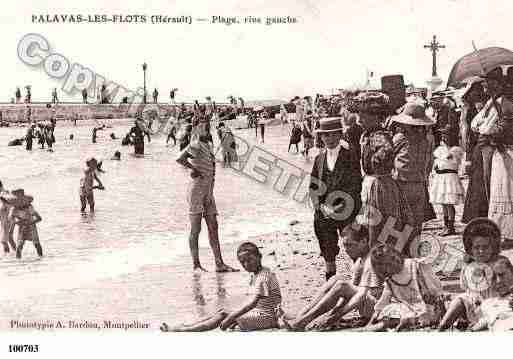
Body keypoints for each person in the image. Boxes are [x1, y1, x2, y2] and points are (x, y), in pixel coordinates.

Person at [161, 242, 280, 331]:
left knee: (225, 315)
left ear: (259, 256)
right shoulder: (258, 274)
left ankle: (184, 330)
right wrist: (236, 315)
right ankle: (186, 326)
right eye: (242, 262)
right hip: (261, 314)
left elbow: (252, 303)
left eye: (250, 260)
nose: (246, 264)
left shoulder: (263, 278)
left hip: (267, 318)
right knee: (222, 311)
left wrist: (232, 316)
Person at [283, 225, 382, 330]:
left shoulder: (371, 261)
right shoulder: (360, 261)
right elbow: (347, 295)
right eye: (344, 246)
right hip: (366, 303)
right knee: (335, 279)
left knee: (342, 285)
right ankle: (302, 315)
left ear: (363, 241)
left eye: (350, 245)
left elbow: (360, 296)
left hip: (378, 308)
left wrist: (335, 316)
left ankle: (303, 320)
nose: (346, 250)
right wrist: (332, 315)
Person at [176, 122, 237, 273]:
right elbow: (180, 158)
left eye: (207, 126)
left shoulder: (207, 145)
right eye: (203, 127)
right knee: (196, 228)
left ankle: (219, 263)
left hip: (209, 191)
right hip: (196, 190)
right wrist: (193, 169)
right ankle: (196, 265)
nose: (207, 129)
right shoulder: (195, 144)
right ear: (197, 130)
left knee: (213, 226)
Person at [309, 117, 362, 281]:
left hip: (348, 209)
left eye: (333, 135)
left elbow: (355, 185)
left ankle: (359, 280)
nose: (329, 139)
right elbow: (314, 185)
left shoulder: (350, 155)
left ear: (340, 135)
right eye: (325, 136)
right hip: (325, 211)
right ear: (321, 137)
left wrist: (340, 208)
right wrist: (319, 206)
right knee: (327, 247)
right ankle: (330, 279)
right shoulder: (319, 158)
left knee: (353, 245)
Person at [439, 218, 503, 330]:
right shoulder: (469, 266)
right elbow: (464, 286)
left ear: (493, 247)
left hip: (495, 304)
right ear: (470, 249)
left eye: (485, 247)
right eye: (477, 248)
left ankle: (476, 327)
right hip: (474, 304)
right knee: (459, 301)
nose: (481, 251)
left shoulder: (500, 263)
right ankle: (442, 327)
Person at [362, 244, 443, 331]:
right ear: (383, 269)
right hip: (408, 308)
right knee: (389, 310)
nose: (395, 261)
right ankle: (374, 328)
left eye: (394, 257)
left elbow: (436, 291)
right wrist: (373, 319)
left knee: (405, 317)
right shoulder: (391, 279)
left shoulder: (417, 266)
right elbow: (383, 301)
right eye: (388, 264)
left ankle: (375, 329)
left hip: (428, 308)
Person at [463, 67, 506, 223]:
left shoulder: (501, 102)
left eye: (487, 82)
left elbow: (486, 127)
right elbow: (475, 123)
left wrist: (483, 127)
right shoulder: (490, 102)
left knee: (487, 182)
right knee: (479, 181)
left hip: (489, 146)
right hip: (481, 146)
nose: (484, 86)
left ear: (495, 84)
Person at [359, 131, 414, 253]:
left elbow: (383, 158)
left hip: (382, 185)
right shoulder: (369, 136)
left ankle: (385, 255)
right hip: (380, 184)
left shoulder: (380, 137)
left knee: (386, 223)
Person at [391, 103, 436, 245]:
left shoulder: (400, 138)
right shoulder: (427, 139)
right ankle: (414, 253)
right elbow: (429, 162)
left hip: (402, 184)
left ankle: (404, 254)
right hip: (419, 184)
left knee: (402, 223)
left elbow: (388, 155)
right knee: (416, 224)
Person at [429, 126, 465, 236]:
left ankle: (451, 226)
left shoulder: (455, 150)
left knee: (449, 203)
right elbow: (437, 162)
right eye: (443, 135)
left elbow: (448, 159)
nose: (444, 138)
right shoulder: (440, 149)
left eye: (447, 135)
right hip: (441, 177)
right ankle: (445, 225)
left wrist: (442, 158)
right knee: (443, 203)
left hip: (449, 177)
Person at [470, 257, 513, 331]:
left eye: (501, 275)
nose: (498, 281)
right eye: (493, 278)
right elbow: (483, 321)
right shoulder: (488, 303)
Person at [4, 189, 43, 259]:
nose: (19, 202)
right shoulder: (13, 209)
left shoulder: (29, 207)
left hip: (31, 227)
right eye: (16, 201)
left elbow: (39, 218)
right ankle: (18, 262)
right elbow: (10, 218)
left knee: (37, 245)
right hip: (21, 228)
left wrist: (30, 222)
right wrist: (17, 222)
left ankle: (41, 258)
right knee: (19, 246)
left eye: (20, 200)